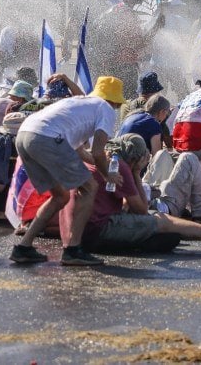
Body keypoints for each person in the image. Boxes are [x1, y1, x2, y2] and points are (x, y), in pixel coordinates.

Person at [68, 134, 201, 255]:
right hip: (99, 230)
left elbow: (122, 203)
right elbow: (140, 210)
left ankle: (152, 238)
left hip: (77, 233)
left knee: (163, 156)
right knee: (166, 219)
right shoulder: (121, 167)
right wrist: (134, 173)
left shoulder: (89, 161)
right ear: (135, 159)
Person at [9, 76, 126, 266]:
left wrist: (102, 164)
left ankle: (23, 247)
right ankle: (73, 249)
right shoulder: (105, 108)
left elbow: (83, 154)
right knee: (90, 187)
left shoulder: (80, 105)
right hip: (45, 137)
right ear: (114, 101)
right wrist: (108, 175)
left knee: (60, 197)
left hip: (25, 135)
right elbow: (97, 153)